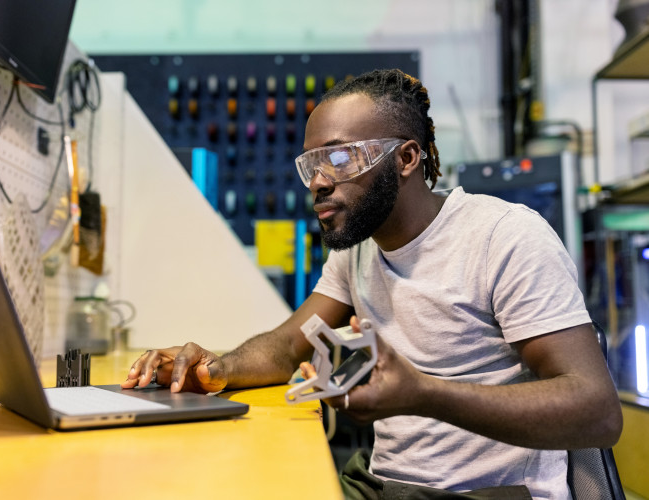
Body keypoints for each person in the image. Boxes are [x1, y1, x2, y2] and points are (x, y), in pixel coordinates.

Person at [121, 69, 622, 499]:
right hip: (386, 485)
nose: (318, 181)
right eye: (311, 164)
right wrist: (213, 367)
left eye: (339, 159)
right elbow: (285, 347)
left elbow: (596, 413)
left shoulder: (503, 236)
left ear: (406, 159)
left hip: (489, 493)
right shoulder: (361, 246)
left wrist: (423, 394)